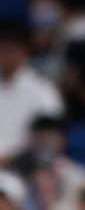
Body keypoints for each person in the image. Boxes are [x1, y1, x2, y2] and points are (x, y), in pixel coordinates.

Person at [0, 19, 63, 163]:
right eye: (3, 48)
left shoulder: (43, 90)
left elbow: (51, 140)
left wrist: (10, 159)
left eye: (13, 49)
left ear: (25, 52)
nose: (7, 54)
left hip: (25, 166)